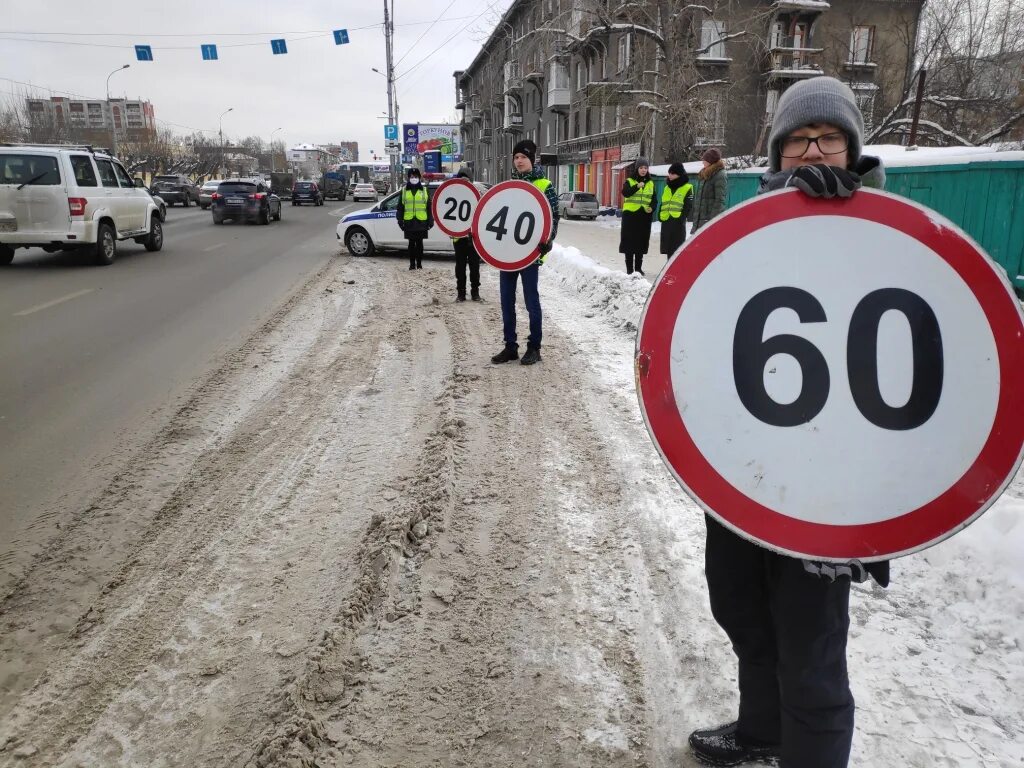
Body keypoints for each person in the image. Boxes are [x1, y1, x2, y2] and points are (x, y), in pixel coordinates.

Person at [688, 76, 888, 768]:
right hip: (746, 467)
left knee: (812, 655)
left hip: (828, 490)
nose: (812, 151)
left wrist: (883, 512)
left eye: (827, 138)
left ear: (851, 147)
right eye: (798, 138)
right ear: (777, 150)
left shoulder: (888, 232)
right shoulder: (747, 226)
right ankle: (762, 732)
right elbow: (701, 320)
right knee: (741, 610)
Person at [491, 139, 558, 367]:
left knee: (531, 302)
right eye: (516, 157)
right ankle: (510, 346)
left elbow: (553, 218)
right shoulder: (509, 185)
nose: (519, 161)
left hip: (531, 255)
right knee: (506, 302)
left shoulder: (545, 185)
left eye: (523, 157)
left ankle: (534, 347)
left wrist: (548, 241)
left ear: (532, 159)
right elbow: (498, 215)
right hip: (508, 254)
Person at [619, 157, 655, 275]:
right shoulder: (629, 181)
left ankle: (638, 268)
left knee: (641, 242)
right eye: (641, 168)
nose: (643, 170)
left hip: (644, 216)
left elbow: (654, 199)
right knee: (629, 242)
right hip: (630, 216)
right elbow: (625, 193)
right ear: (637, 169)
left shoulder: (650, 183)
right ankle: (630, 269)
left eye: (645, 168)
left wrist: (652, 207)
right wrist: (637, 187)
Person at [452, 168, 482, 302]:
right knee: (460, 268)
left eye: (467, 180)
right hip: (459, 239)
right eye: (461, 179)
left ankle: (475, 292)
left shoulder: (477, 194)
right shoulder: (453, 195)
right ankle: (461, 293)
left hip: (473, 238)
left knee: (475, 267)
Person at [396, 167, 432, 270]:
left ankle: (419, 264)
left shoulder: (424, 190)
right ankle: (412, 264)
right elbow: (400, 208)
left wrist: (430, 220)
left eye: (416, 177)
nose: (414, 178)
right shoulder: (404, 191)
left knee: (420, 244)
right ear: (408, 178)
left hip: (421, 222)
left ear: (419, 178)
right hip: (409, 222)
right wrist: (400, 220)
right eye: (412, 177)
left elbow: (429, 207)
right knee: (411, 244)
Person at [658, 162, 694, 259]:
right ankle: (669, 269)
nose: (670, 175)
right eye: (669, 173)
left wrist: (681, 218)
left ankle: (676, 271)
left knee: (677, 248)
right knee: (668, 248)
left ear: (679, 174)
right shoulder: (667, 187)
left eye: (673, 173)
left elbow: (688, 206)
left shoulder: (687, 187)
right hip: (666, 220)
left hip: (677, 222)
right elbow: (663, 202)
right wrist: (659, 215)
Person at [691, 147, 727, 234]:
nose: (702, 162)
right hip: (699, 220)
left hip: (708, 220)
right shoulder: (703, 173)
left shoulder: (720, 175)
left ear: (711, 161)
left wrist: (712, 220)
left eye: (705, 160)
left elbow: (720, 200)